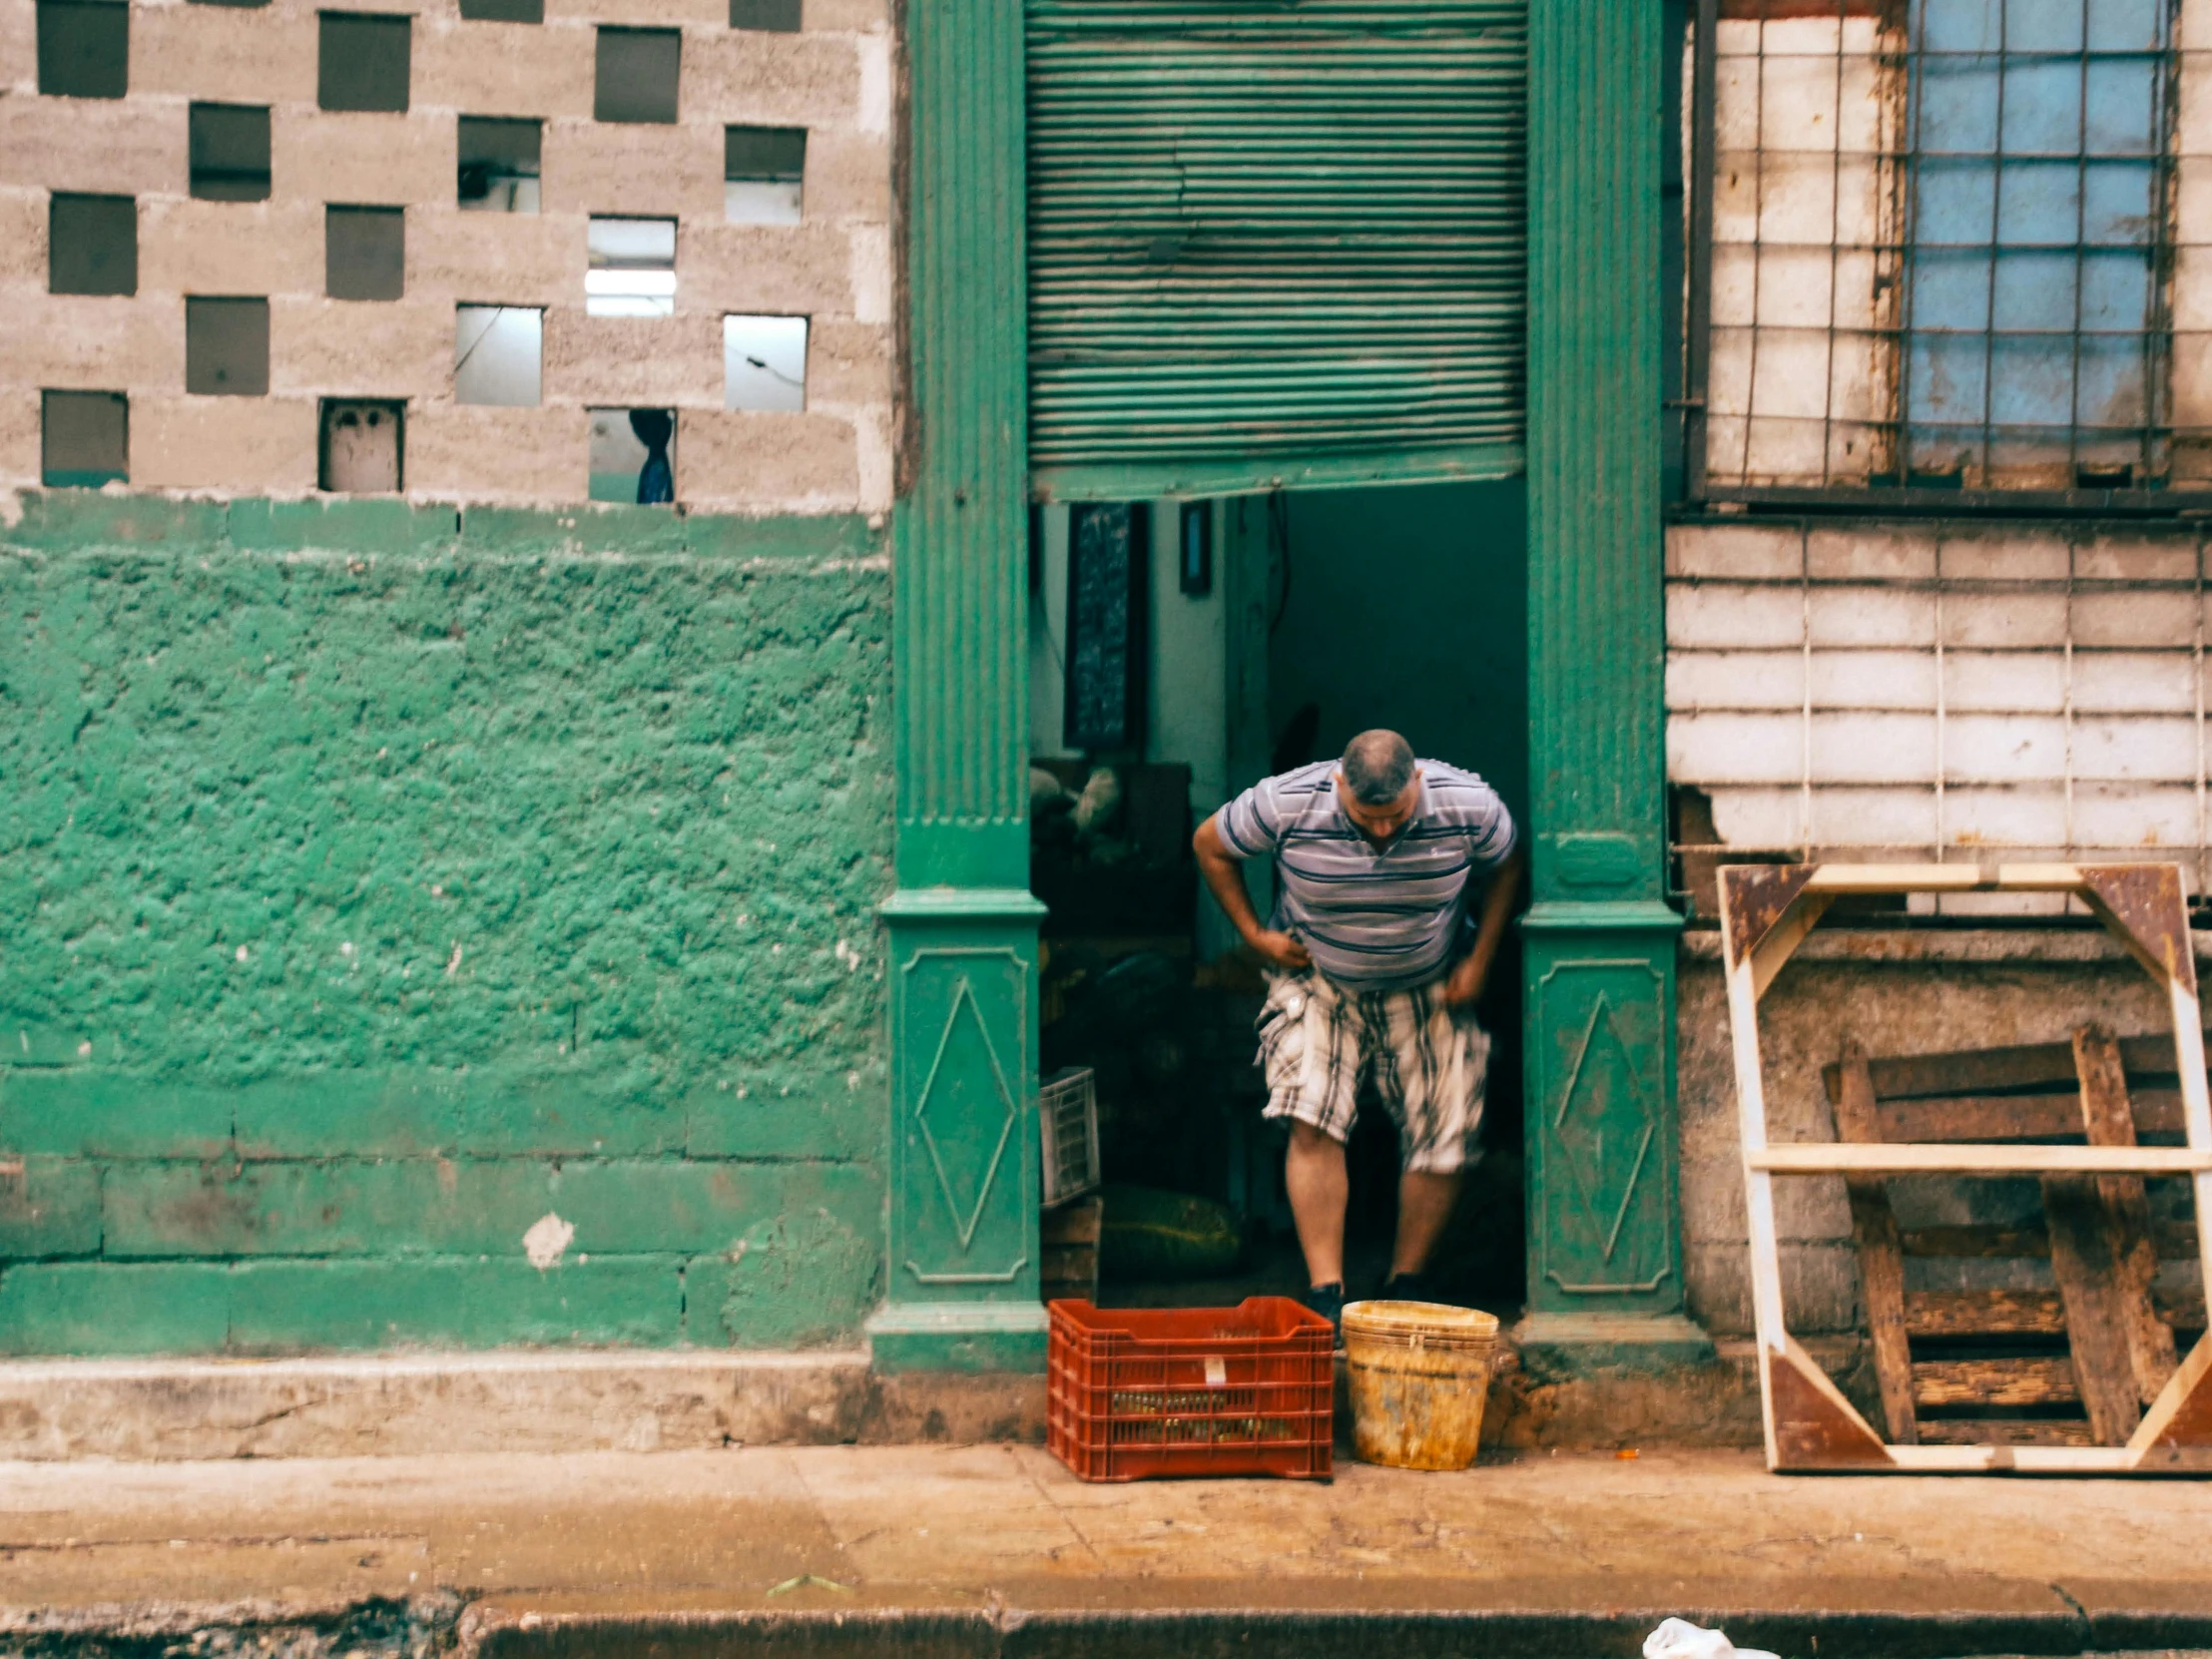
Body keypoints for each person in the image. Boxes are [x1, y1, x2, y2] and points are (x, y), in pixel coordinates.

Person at [1192, 729, 1524, 1335]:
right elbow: (1210, 844)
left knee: (1447, 1127)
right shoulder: (1287, 800)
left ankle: (1407, 1282)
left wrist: (1481, 961)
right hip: (1319, 981)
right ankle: (1327, 1292)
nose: (1380, 833)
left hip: (1429, 983)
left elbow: (1508, 863)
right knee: (1311, 1114)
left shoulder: (1469, 804)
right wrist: (1253, 934)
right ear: (1338, 784)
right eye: (1364, 817)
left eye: (1395, 817)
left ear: (1418, 782)